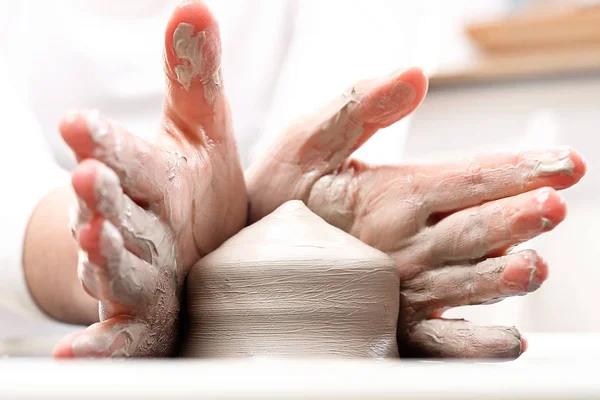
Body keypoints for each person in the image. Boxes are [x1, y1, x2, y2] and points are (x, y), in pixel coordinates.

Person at [0, 1, 586, 358]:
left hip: (313, 305)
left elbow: (333, 114)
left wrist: (297, 217)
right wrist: (115, 246)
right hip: (42, 292)